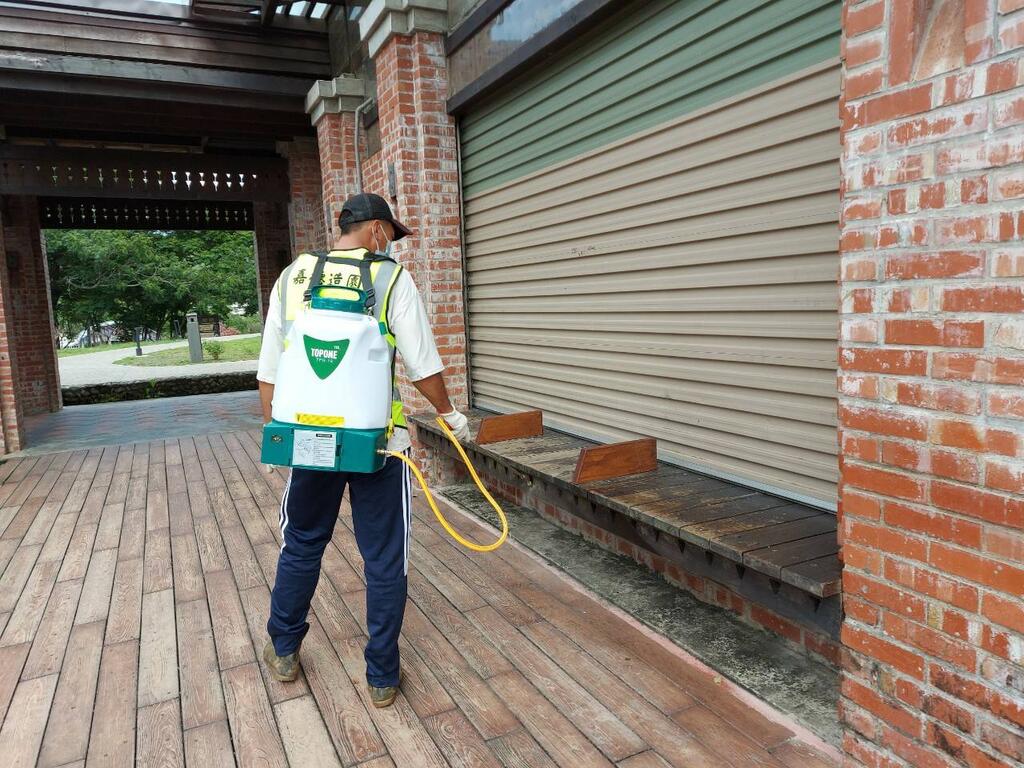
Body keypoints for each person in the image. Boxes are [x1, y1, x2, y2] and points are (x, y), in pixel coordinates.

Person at [255, 192, 470, 708]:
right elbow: (421, 365)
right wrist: (450, 415)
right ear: (376, 230)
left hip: (311, 442)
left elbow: (269, 370)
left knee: (301, 543)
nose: (391, 244)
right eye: (390, 235)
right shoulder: (390, 279)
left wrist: (282, 437)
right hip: (381, 446)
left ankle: (283, 649)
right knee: (384, 557)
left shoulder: (293, 277)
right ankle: (381, 676)